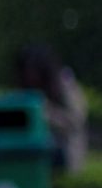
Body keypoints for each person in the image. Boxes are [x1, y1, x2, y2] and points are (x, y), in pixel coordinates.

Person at [16, 44, 89, 174]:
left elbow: (76, 120)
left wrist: (45, 113)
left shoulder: (65, 84)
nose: (30, 76)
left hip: (64, 152)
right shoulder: (27, 91)